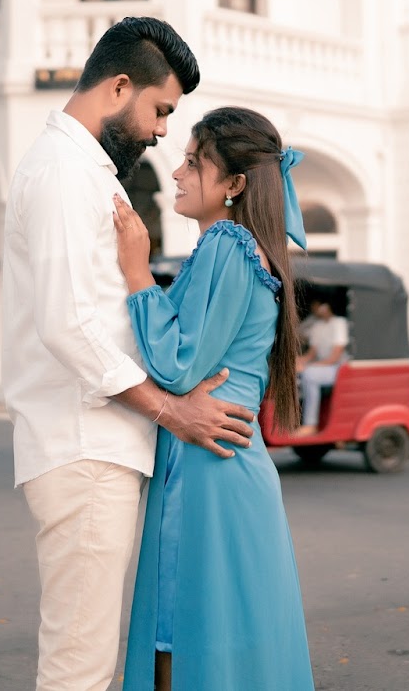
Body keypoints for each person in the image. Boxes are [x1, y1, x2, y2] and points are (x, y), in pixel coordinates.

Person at [1, 17, 256, 691]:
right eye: (161, 109)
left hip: (100, 443)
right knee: (79, 668)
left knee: (88, 660)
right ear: (119, 87)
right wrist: (173, 412)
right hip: (85, 445)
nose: (164, 131)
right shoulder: (63, 171)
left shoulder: (87, 170)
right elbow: (68, 325)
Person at [112, 106, 315, 690]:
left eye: (193, 162)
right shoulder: (247, 249)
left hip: (207, 470)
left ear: (234, 184)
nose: (177, 172)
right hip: (229, 465)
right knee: (232, 646)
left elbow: (178, 366)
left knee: (181, 642)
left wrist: (137, 273)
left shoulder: (228, 243)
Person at [294, 296, 349, 434]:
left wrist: (309, 366)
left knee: (310, 375)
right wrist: (298, 361)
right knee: (296, 371)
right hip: (322, 366)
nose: (315, 309)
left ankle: (311, 424)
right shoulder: (317, 326)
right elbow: (312, 353)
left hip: (338, 368)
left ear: (326, 306)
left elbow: (335, 357)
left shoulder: (339, 323)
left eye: (318, 306)